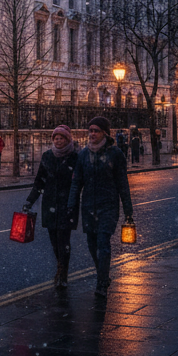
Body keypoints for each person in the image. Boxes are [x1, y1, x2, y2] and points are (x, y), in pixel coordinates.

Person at [68, 116, 134, 298]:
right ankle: (102, 274)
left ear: (105, 133)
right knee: (92, 245)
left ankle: (102, 283)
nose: (92, 134)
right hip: (89, 206)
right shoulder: (83, 155)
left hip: (108, 206)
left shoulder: (115, 154)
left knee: (103, 242)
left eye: (96, 131)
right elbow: (77, 182)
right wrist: (71, 204)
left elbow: (122, 183)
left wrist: (128, 210)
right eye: (90, 131)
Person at [24, 125, 80, 288]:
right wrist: (29, 201)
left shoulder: (75, 157)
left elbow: (79, 181)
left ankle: (63, 273)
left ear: (67, 140)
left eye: (61, 138)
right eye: (56, 138)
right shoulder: (47, 156)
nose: (58, 141)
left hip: (67, 204)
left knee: (64, 241)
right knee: (54, 241)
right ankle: (60, 266)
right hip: (49, 204)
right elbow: (39, 181)